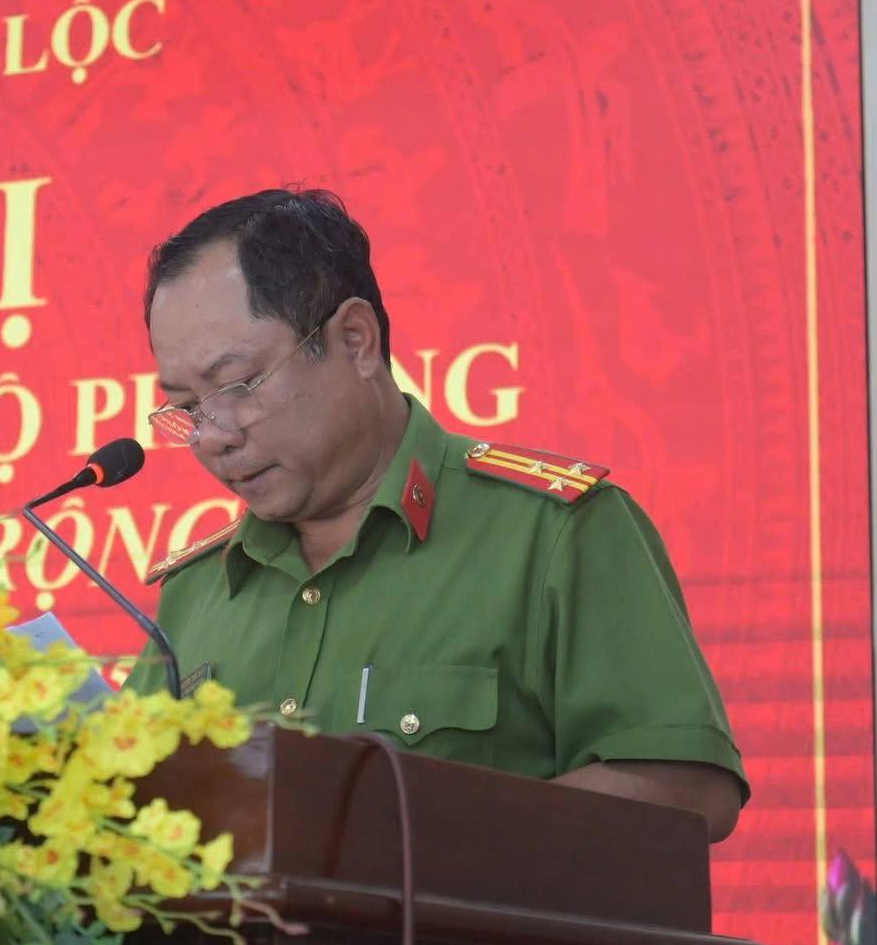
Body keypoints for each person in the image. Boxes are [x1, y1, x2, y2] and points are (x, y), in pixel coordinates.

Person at [126, 188, 747, 841]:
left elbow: (688, 790)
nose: (213, 436)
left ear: (356, 340)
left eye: (236, 386)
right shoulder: (196, 591)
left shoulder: (553, 535)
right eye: (187, 407)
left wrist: (413, 845)